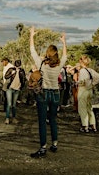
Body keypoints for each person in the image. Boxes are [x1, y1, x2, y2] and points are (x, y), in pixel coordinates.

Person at [29, 26, 67, 158]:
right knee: (53, 119)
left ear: (47, 53)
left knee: (42, 121)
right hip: (56, 93)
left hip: (44, 93)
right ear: (56, 54)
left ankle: (43, 147)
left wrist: (32, 36)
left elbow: (32, 51)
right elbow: (65, 56)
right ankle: (55, 143)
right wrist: (63, 42)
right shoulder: (59, 65)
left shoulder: (42, 63)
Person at [77, 55, 99, 133]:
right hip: (90, 90)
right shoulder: (91, 70)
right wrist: (93, 84)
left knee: (82, 108)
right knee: (89, 108)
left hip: (83, 90)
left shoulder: (82, 71)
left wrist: (77, 83)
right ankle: (93, 125)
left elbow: (82, 81)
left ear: (81, 61)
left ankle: (85, 126)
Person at [4, 59, 26, 124]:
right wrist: (11, 74)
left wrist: (21, 87)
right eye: (16, 66)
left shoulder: (22, 71)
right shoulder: (11, 69)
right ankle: (7, 118)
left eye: (18, 66)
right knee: (9, 104)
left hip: (17, 89)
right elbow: (5, 76)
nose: (17, 67)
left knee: (14, 105)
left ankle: (14, 118)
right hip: (10, 88)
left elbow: (23, 79)